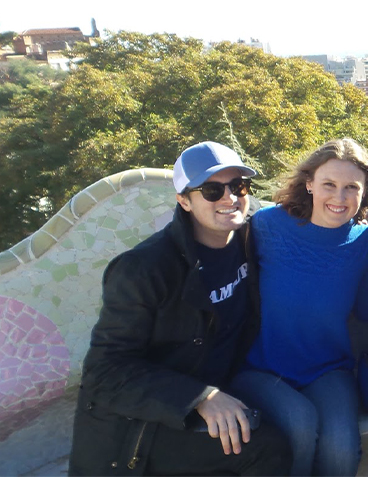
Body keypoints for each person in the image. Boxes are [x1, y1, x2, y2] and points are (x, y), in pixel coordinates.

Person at [69, 141, 291, 476]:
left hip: (224, 387)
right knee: (264, 449)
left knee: (293, 425)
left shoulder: (251, 241)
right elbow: (104, 372)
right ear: (183, 200)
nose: (229, 198)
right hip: (141, 426)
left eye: (238, 186)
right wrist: (201, 397)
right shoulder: (143, 269)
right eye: (212, 190)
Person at [229, 138, 368, 476]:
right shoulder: (268, 226)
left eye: (352, 187)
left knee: (341, 450)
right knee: (300, 424)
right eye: (329, 185)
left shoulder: (365, 241)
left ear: (365, 193)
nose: (340, 197)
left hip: (327, 369)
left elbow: (367, 311)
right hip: (261, 367)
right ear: (309, 184)